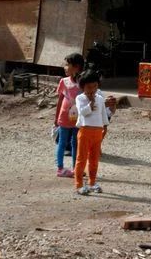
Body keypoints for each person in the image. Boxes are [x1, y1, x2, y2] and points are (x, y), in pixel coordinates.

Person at [73, 68, 114, 196]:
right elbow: (82, 113)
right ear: (83, 87)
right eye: (89, 87)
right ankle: (79, 184)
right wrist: (90, 104)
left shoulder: (100, 98)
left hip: (97, 131)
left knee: (94, 159)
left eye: (95, 86)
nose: (92, 90)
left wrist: (105, 127)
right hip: (85, 131)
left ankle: (92, 182)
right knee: (81, 159)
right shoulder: (80, 98)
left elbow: (103, 114)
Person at [53, 52, 84, 177]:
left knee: (75, 143)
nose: (65, 67)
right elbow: (60, 100)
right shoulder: (63, 81)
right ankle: (60, 168)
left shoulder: (83, 83)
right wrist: (56, 118)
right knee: (62, 142)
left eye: (67, 65)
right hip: (64, 118)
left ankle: (76, 168)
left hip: (78, 119)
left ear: (76, 67)